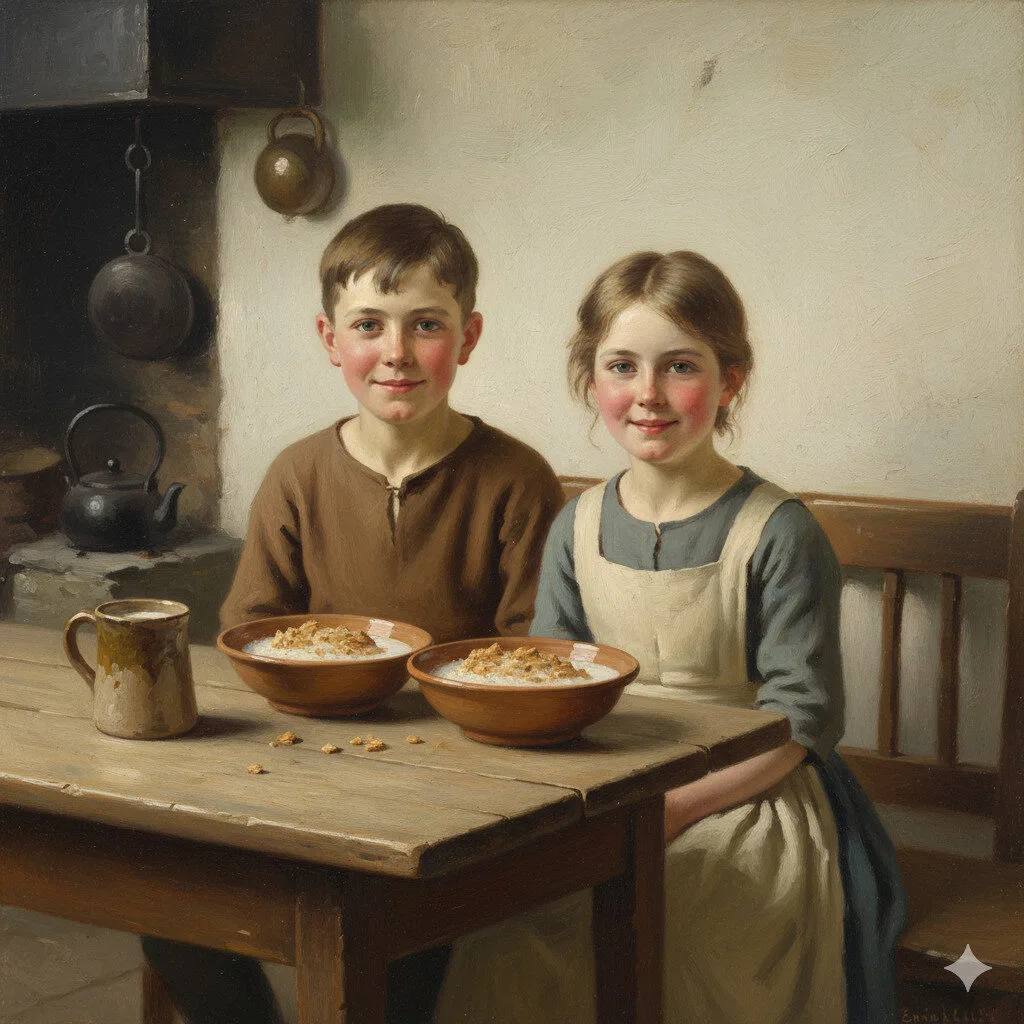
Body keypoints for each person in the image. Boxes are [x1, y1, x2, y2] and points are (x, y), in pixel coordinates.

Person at [433, 250, 907, 1024]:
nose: (648, 394)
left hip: (746, 793)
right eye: (622, 366)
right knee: (512, 922)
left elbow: (804, 719)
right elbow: (550, 683)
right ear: (592, 379)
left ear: (731, 380)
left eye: (679, 366)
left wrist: (675, 808)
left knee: (682, 924)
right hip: (607, 786)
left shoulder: (778, 531)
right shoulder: (578, 525)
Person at [142, 203, 565, 1024]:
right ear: (330, 339)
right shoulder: (298, 475)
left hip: (456, 781)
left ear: (469, 337)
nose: (396, 352)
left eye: (426, 324)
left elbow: (534, 659)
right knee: (169, 905)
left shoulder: (516, 480)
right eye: (369, 324)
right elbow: (252, 633)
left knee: (394, 937)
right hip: (306, 759)